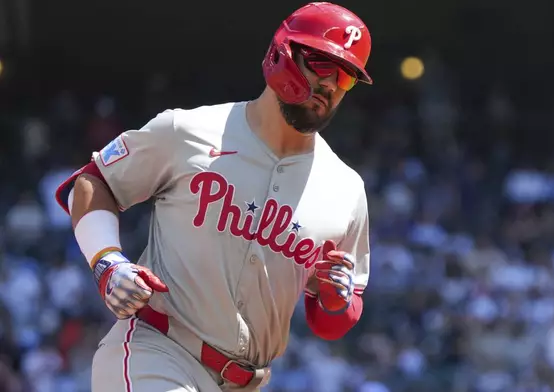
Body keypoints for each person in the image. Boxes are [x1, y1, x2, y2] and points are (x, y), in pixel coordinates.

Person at [54, 2, 373, 391]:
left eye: (346, 77)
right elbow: (93, 182)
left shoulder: (346, 189)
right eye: (322, 63)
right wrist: (107, 262)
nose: (330, 83)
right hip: (158, 353)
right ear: (281, 53)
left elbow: (333, 320)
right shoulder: (188, 131)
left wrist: (334, 299)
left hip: (248, 382)